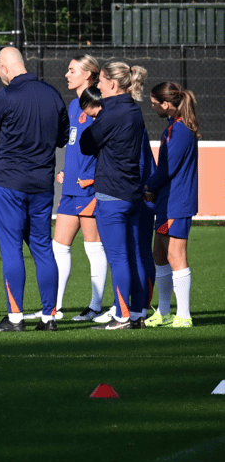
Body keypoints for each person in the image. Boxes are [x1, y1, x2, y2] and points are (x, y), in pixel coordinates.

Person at [0, 47, 68, 332]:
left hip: (9, 183)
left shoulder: (3, 97)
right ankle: (49, 317)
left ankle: (15, 317)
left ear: (5, 68)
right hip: (41, 184)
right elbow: (63, 138)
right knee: (42, 248)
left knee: (11, 248)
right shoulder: (52, 94)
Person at [77, 60, 150, 330]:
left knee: (118, 257)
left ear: (111, 83)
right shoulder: (134, 110)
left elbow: (86, 144)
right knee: (132, 255)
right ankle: (137, 312)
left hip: (112, 192)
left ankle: (121, 316)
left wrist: (92, 123)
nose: (96, 85)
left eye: (100, 81)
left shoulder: (112, 111)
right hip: (130, 192)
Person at [56, 56, 110, 322]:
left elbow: (106, 148)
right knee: (58, 247)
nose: (67, 74)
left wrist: (92, 177)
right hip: (69, 188)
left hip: (89, 189)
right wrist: (69, 170)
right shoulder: (73, 105)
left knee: (93, 248)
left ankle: (95, 306)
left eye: (72, 70)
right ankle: (53, 306)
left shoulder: (100, 105)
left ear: (88, 74)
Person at [145, 82, 199, 328]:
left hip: (177, 202)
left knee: (175, 256)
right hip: (167, 202)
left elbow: (168, 168)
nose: (152, 105)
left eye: (154, 102)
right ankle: (164, 312)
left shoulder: (179, 131)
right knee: (160, 255)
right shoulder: (171, 128)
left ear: (166, 104)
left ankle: (184, 315)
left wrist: (148, 188)